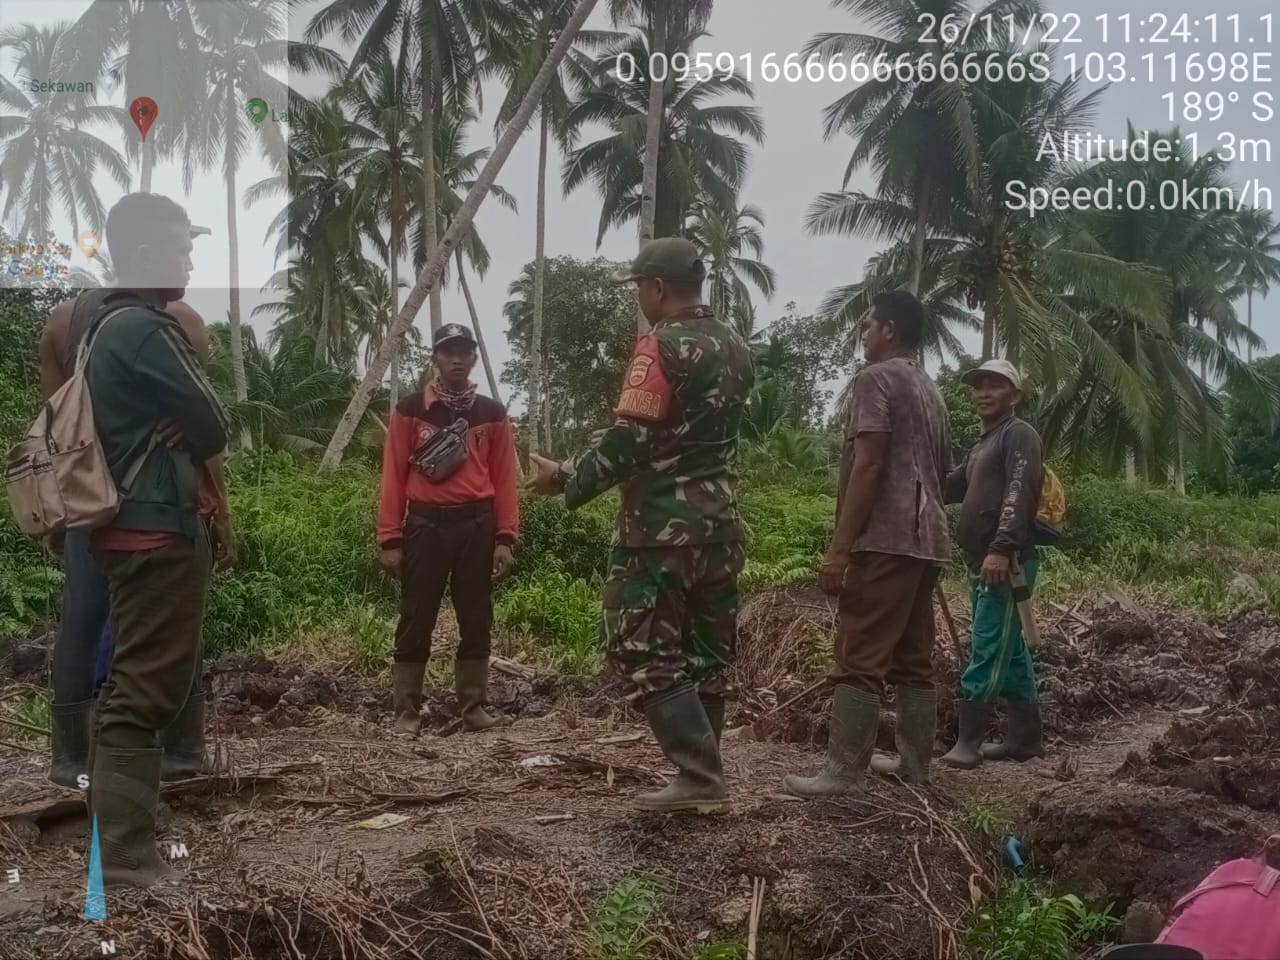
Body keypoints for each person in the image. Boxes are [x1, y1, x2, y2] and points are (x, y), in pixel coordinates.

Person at [527, 237, 754, 816]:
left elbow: (630, 441)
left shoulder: (659, 345)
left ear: (655, 287)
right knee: (706, 654)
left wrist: (566, 478)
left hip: (660, 529)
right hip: (721, 524)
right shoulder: (735, 345)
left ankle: (700, 776)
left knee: (640, 645)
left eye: (640, 291)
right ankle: (707, 777)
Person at [77, 192, 229, 889]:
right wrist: (185, 414)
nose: (190, 258)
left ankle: (129, 834)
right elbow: (213, 423)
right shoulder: (143, 327)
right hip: (155, 526)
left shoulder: (102, 327)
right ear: (142, 254)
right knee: (142, 696)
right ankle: (128, 860)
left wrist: (183, 417)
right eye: (180, 246)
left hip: (127, 527)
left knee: (137, 687)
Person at [40, 281, 234, 788]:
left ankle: (70, 760)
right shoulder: (182, 322)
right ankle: (182, 751)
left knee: (80, 621)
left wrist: (61, 508)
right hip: (156, 505)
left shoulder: (64, 322)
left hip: (91, 502)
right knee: (174, 627)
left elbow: (59, 428)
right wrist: (221, 509)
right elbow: (203, 428)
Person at [783, 290, 951, 798]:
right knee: (913, 655)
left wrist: (839, 549)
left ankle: (843, 773)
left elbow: (869, 464)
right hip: (928, 540)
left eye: (867, 326)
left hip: (887, 538)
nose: (863, 334)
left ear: (890, 331)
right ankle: (915, 766)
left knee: (859, 653)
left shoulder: (874, 379)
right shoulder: (931, 389)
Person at [378, 322, 519, 735]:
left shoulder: (491, 414)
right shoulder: (410, 410)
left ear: (474, 357)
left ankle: (473, 707)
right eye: (447, 352)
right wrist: (390, 537)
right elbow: (393, 477)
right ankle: (406, 711)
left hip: (477, 524)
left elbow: (506, 478)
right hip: (425, 525)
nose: (456, 358)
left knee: (476, 616)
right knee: (415, 615)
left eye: (464, 351)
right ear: (435, 358)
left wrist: (506, 537)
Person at [939, 358, 1045, 768]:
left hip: (1005, 561)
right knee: (1011, 649)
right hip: (981, 559)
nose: (983, 392)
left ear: (1014, 395)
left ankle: (968, 744)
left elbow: (1020, 493)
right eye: (978, 385)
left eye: (995, 385)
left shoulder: (1019, 435)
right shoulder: (984, 442)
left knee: (985, 644)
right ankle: (1025, 741)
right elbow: (952, 486)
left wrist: (1002, 548)